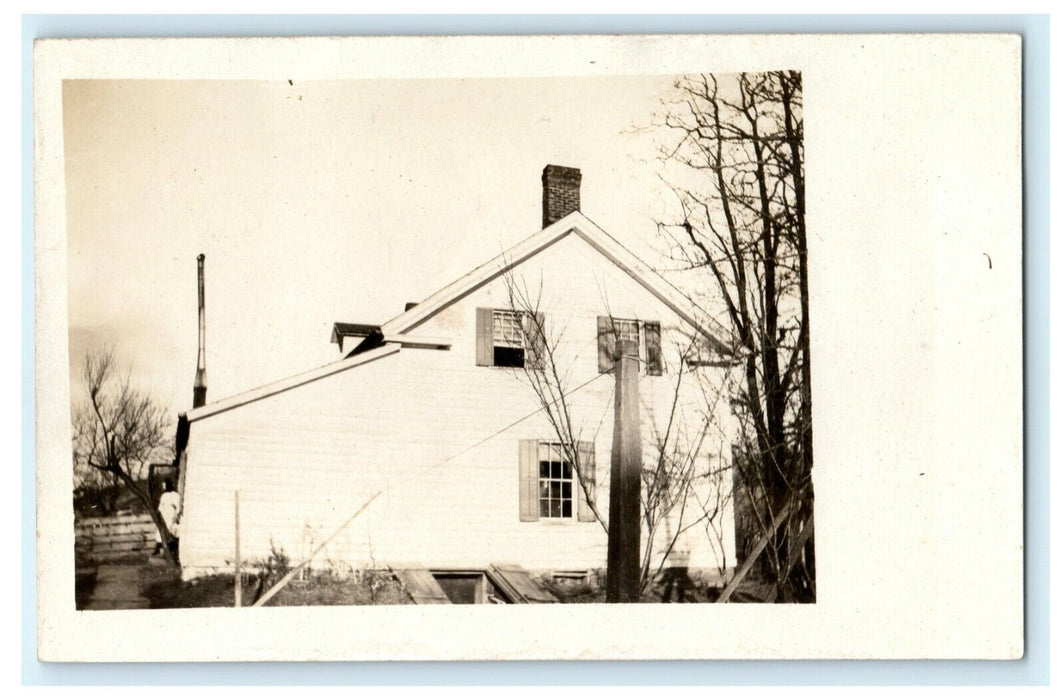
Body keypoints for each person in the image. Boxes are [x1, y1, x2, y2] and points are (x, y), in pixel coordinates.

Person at [153, 479, 181, 557]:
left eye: (164, 485)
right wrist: (160, 513)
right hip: (164, 514)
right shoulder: (163, 495)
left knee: (170, 529)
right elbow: (160, 507)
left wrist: (177, 514)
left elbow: (178, 506)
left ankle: (171, 549)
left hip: (171, 514)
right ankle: (158, 546)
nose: (163, 487)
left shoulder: (175, 495)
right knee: (161, 529)